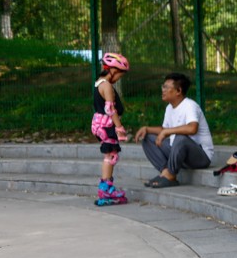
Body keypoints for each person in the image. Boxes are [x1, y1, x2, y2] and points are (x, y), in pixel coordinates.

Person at [135, 72, 214, 188]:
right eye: (163, 87)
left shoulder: (190, 106)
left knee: (180, 137)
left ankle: (171, 175)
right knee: (147, 137)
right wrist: (146, 128)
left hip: (200, 157)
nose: (163, 90)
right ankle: (165, 172)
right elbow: (164, 129)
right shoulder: (169, 108)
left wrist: (167, 132)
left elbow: (192, 128)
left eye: (166, 87)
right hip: (179, 152)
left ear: (178, 91)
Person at [90, 52, 131, 206]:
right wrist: (119, 127)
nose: (119, 78)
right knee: (110, 156)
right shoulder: (106, 85)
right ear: (113, 70)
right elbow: (110, 108)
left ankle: (106, 188)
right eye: (120, 74)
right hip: (107, 125)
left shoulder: (99, 82)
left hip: (100, 123)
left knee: (110, 154)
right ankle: (106, 190)